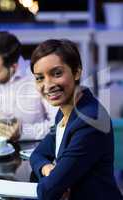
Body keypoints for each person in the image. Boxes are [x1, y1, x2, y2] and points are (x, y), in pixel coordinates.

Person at [29, 39, 123, 200]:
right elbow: (37, 154)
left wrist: (55, 182)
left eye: (57, 73)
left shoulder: (89, 120)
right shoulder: (66, 110)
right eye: (39, 78)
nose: (48, 84)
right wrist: (47, 169)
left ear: (77, 72)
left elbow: (48, 191)